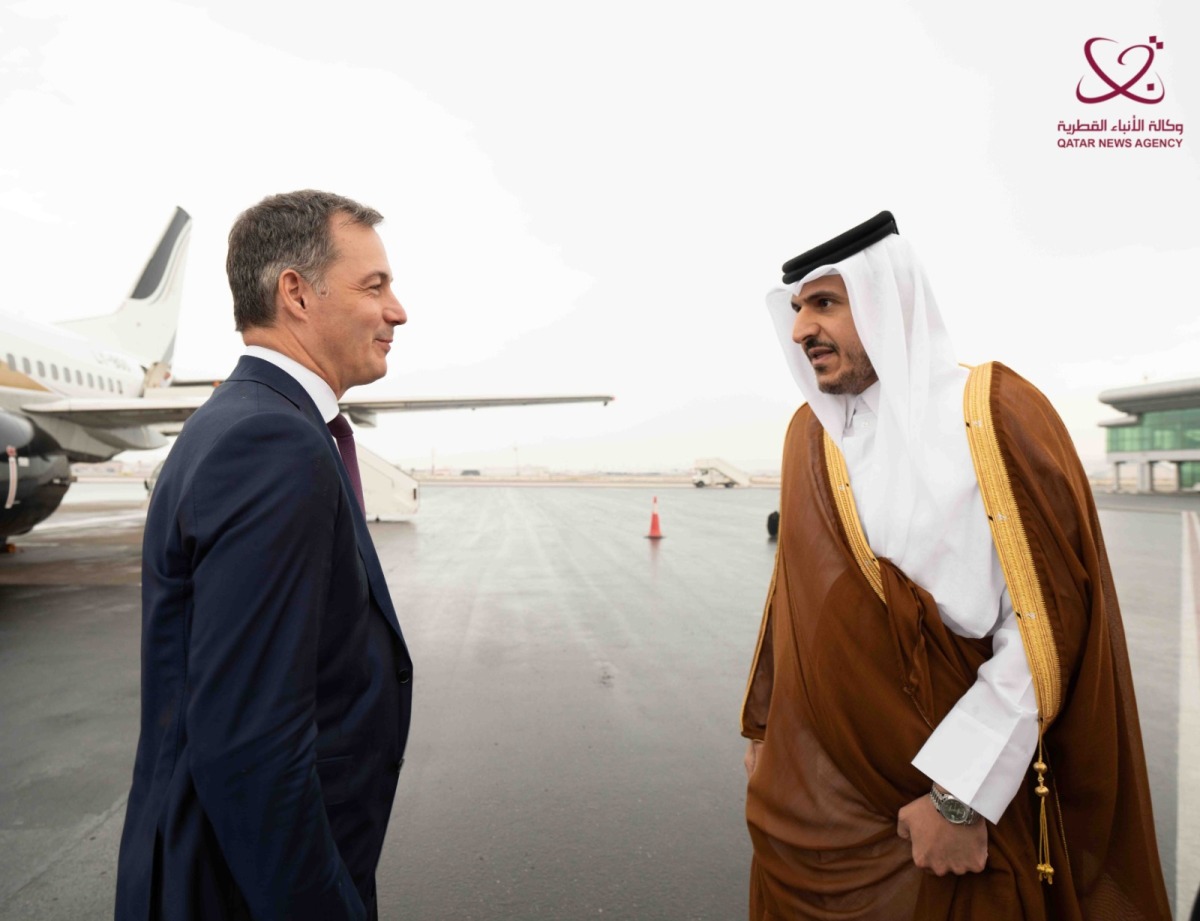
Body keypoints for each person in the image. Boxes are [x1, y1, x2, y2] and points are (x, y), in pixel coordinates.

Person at [740, 212, 1170, 919]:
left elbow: (1044, 626)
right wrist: (768, 734)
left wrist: (958, 796)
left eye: (825, 303)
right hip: (822, 805)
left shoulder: (992, 414)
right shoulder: (810, 436)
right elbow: (793, 600)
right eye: (796, 309)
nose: (800, 330)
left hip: (946, 812)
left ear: (888, 300)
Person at [115, 190, 413, 920]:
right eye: (374, 286)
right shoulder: (271, 442)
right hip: (242, 892)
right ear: (296, 294)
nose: (397, 310)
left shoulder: (245, 421)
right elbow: (254, 749)